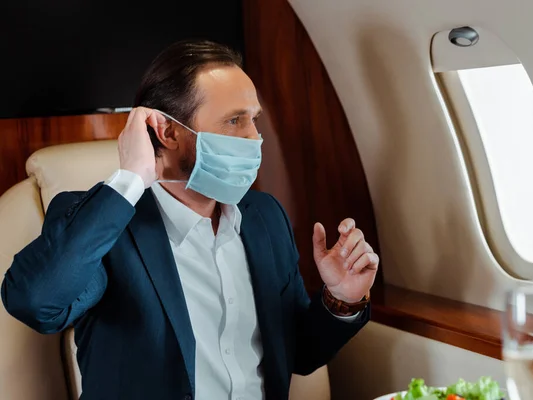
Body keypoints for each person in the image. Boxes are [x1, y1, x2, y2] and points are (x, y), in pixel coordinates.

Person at [1, 39, 379, 400]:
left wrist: (341, 300)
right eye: (234, 122)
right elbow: (37, 303)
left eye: (253, 120)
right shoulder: (102, 224)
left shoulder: (264, 216)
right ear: (167, 132)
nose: (253, 137)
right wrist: (130, 181)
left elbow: (300, 354)